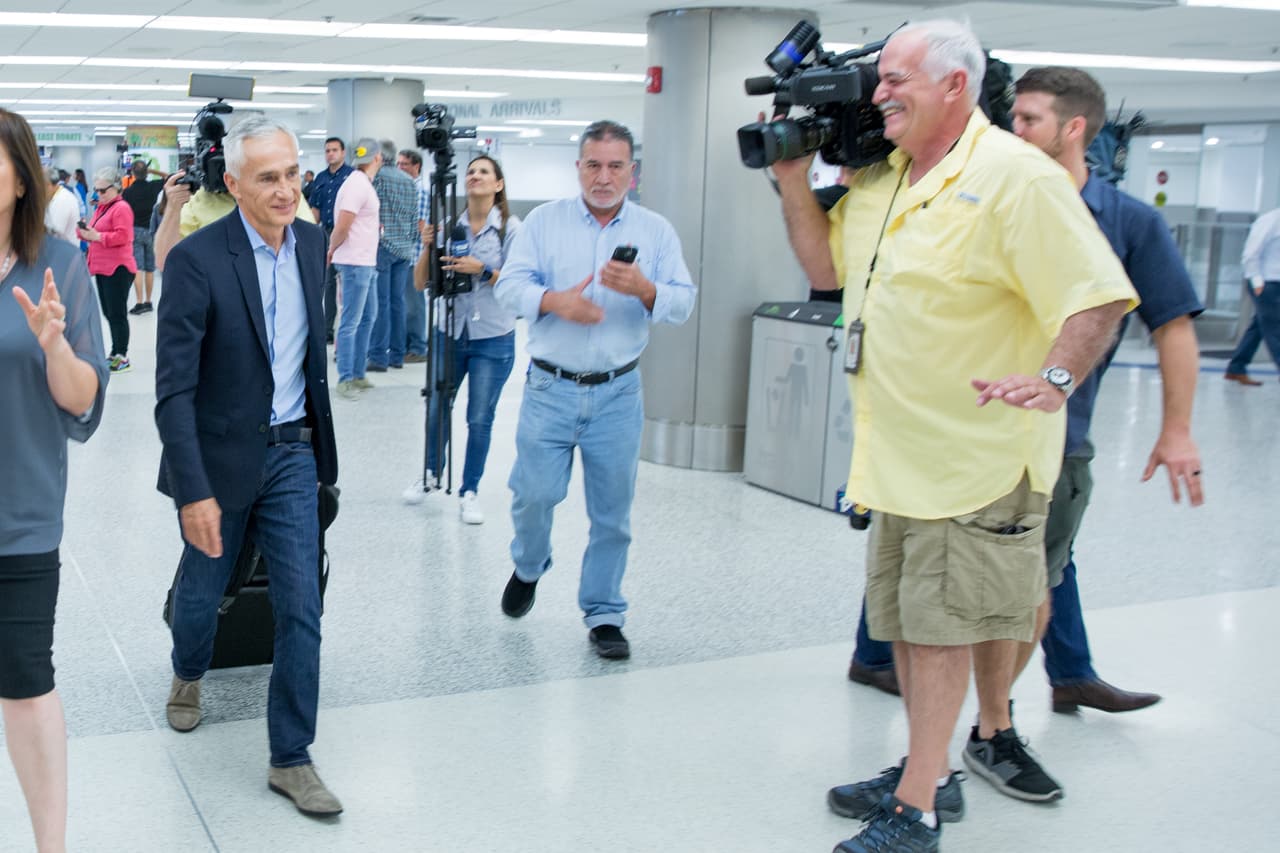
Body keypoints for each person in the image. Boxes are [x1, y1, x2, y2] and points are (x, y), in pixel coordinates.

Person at [771, 21, 1136, 853]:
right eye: (880, 78)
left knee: (939, 632)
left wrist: (1052, 381)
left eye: (898, 77)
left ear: (955, 88)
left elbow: (1099, 297)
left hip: (975, 455)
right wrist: (794, 180)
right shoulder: (885, 179)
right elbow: (828, 273)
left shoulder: (1014, 177)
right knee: (906, 624)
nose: (879, 91)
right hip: (899, 452)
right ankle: (924, 771)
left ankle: (918, 811)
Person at [155, 115, 341, 816]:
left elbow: (306, 358)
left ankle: (291, 755)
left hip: (293, 451)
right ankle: (187, 669)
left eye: (293, 173)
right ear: (233, 185)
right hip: (219, 454)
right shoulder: (198, 260)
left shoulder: (312, 244)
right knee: (204, 587)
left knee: (302, 604)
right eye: (269, 176)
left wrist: (323, 457)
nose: (287, 188)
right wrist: (192, 487)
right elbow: (173, 388)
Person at [495, 120, 696, 660]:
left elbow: (683, 301)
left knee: (612, 513)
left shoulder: (656, 231)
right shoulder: (543, 222)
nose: (603, 177)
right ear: (578, 167)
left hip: (617, 394)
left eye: (615, 166)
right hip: (550, 388)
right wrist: (554, 301)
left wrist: (647, 290)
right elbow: (509, 287)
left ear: (633, 172)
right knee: (533, 494)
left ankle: (604, 611)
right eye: (593, 165)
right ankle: (529, 564)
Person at [0, 106, 108, 853]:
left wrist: (51, 346)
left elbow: (82, 397)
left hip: (20, 512)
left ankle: (50, 845)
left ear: (20, 177)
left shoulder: (59, 265)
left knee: (25, 680)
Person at [404, 154, 521, 525]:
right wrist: (427, 245)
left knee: (480, 417)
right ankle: (430, 475)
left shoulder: (511, 230)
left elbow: (520, 284)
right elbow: (420, 283)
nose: (474, 176)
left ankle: (469, 490)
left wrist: (482, 269)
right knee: (438, 406)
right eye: (471, 171)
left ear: (498, 184)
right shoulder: (448, 229)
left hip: (492, 336)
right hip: (449, 332)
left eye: (483, 172)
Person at [152, 165, 315, 272]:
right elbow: (165, 261)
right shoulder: (200, 201)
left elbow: (312, 250)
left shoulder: (283, 197)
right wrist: (173, 207)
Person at [328, 137, 382, 399]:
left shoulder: (363, 184)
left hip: (366, 261)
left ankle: (358, 373)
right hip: (354, 263)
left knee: (368, 317)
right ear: (378, 158)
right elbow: (343, 224)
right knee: (351, 320)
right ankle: (345, 378)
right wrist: (330, 249)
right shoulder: (357, 185)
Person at [366, 139, 418, 373]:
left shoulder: (378, 178)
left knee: (381, 303)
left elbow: (369, 210)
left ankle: (378, 356)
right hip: (405, 249)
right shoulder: (409, 181)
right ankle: (397, 355)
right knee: (399, 302)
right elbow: (415, 220)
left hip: (383, 246)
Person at [79, 167, 136, 374]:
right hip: (102, 268)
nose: (99, 194)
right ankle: (115, 352)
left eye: (103, 190)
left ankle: (122, 355)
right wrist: (85, 231)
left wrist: (98, 237)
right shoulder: (102, 208)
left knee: (117, 313)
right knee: (109, 312)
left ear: (117, 187)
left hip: (117, 269)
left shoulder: (121, 208)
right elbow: (95, 232)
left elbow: (124, 236)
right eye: (97, 190)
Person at [1225, 206, 1280, 383]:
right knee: (1275, 327)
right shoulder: (1270, 220)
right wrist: (1256, 281)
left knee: (1259, 327)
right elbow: (1251, 253)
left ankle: (1236, 367)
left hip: (1276, 281)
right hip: (1265, 282)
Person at [308, 137, 354, 344]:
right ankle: (326, 329)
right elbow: (315, 209)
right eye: (327, 150)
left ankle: (347, 331)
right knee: (327, 283)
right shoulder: (320, 178)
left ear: (343, 153)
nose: (330, 154)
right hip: (326, 232)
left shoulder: (352, 176)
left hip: (348, 234)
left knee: (347, 285)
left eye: (334, 150)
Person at [397, 147, 430, 363]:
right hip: (402, 255)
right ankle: (410, 345)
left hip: (413, 256)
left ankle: (418, 347)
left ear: (416, 166)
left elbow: (419, 226)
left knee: (414, 304)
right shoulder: (405, 189)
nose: (400, 168)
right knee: (404, 304)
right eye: (398, 164)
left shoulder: (418, 192)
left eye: (404, 164)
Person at [121, 160, 164, 314]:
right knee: (150, 268)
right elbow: (169, 177)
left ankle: (139, 302)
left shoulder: (127, 192)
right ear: (146, 173)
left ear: (132, 173)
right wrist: (152, 171)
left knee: (138, 267)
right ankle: (148, 301)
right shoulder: (153, 187)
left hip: (135, 231)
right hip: (152, 231)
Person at [43, 166, 79, 245]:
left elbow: (54, 232)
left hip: (63, 252)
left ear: (48, 185)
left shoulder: (63, 200)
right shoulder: (57, 196)